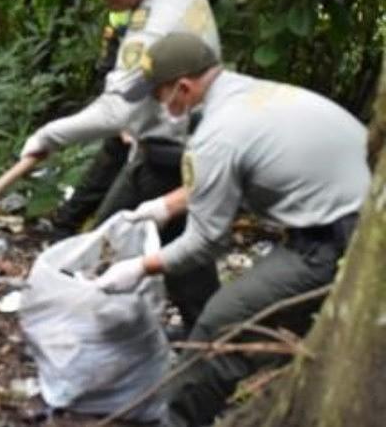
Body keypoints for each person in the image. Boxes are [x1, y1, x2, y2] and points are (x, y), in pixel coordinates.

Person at [94, 32, 371, 426]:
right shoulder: (247, 94)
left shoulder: (217, 133)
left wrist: (140, 267)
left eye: (159, 95)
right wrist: (165, 206)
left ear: (184, 87)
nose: (158, 105)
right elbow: (234, 169)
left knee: (220, 327)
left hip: (340, 240)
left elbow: (207, 241)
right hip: (356, 212)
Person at [21, 0, 221, 330]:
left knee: (174, 261)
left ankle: (214, 349)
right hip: (157, 146)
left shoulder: (160, 16)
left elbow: (116, 111)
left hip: (177, 154)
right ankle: (101, 328)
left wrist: (48, 136)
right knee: (119, 240)